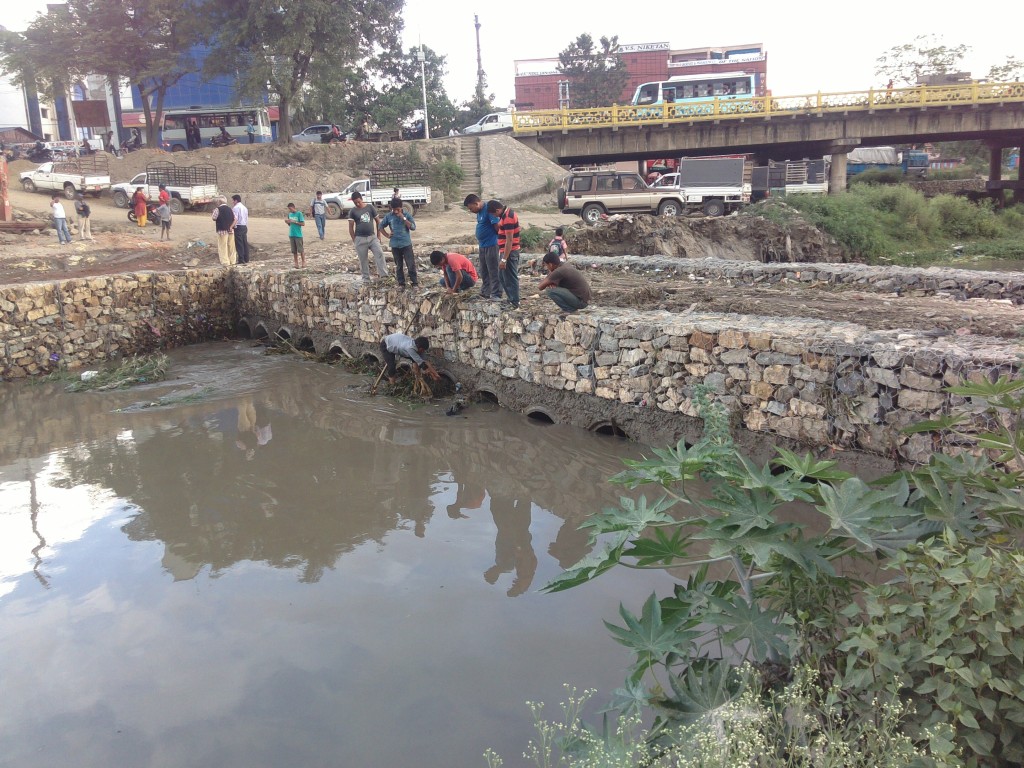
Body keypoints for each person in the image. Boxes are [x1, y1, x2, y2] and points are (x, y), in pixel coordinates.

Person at [463, 193, 501, 301]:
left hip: (492, 244)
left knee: (493, 270)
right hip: (483, 245)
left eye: (471, 208)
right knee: (484, 270)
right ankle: (485, 291)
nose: (471, 211)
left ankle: (496, 293)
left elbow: (497, 226)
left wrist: (499, 239)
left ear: (476, 203)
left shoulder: (489, 209)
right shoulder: (479, 212)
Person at [348, 191, 388, 282]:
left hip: (372, 237)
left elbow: (378, 221)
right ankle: (366, 279)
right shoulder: (353, 211)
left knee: (380, 254)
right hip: (360, 239)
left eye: (359, 201)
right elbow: (351, 227)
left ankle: (384, 276)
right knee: (363, 260)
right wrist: (355, 240)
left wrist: (379, 235)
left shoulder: (370, 207)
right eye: (355, 203)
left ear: (362, 199)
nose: (358, 204)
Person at [487, 199, 521, 309]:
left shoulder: (508, 218)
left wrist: (504, 259)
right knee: (502, 277)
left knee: (510, 277)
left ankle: (514, 301)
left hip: (509, 252)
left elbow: (509, 240)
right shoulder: (506, 215)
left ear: (498, 210)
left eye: (494, 214)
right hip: (505, 251)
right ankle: (511, 299)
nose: (495, 216)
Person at [380, 199, 417, 288]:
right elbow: (380, 226)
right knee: (399, 265)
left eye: (398, 209)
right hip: (395, 245)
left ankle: (415, 283)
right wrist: (387, 235)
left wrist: (403, 218)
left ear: (401, 207)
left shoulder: (407, 215)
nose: (396, 211)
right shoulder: (389, 216)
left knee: (410, 264)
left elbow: (413, 227)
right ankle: (401, 283)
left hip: (406, 244)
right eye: (394, 209)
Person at [211, 196, 236, 265]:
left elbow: (214, 218)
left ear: (219, 202)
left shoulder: (218, 209)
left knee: (223, 246)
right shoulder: (230, 209)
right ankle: (233, 261)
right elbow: (234, 218)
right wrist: (231, 227)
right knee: (231, 246)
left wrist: (213, 212)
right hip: (231, 230)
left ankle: (225, 262)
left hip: (222, 230)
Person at [285, 202, 305, 268]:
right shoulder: (290, 214)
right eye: (289, 209)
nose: (290, 210)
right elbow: (290, 224)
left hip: (298, 235)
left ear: (293, 207)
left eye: (290, 209)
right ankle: (296, 263)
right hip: (291, 234)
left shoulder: (299, 214)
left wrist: (294, 222)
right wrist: (288, 222)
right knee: (294, 251)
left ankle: (303, 262)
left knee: (301, 250)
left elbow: (303, 224)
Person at [232, 194, 249, 263]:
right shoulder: (245, 208)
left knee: (239, 244)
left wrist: (232, 226)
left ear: (236, 200)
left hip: (238, 226)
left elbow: (235, 219)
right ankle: (246, 258)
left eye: (233, 201)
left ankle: (241, 259)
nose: (232, 202)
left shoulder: (236, 208)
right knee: (245, 242)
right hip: (244, 226)